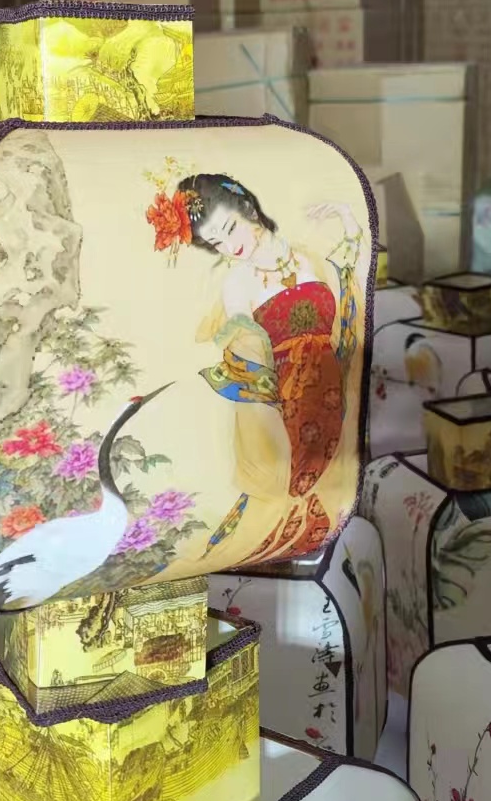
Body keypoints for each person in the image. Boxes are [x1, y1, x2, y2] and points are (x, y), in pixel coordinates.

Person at [147, 172, 364, 567]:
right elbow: (244, 347)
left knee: (336, 495)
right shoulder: (238, 282)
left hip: (335, 395)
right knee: (287, 506)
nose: (231, 246)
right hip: (286, 403)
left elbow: (348, 279)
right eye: (217, 242)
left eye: (230, 228)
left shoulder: (308, 257)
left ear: (248, 207)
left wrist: (348, 217)